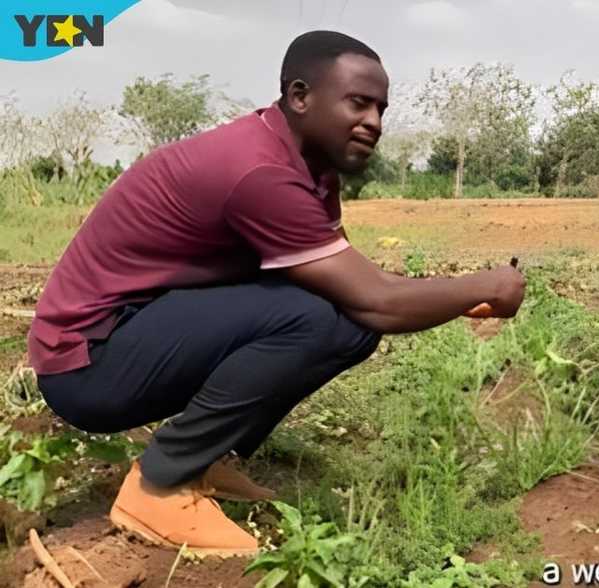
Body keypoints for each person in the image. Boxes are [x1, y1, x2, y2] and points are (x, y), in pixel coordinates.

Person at [28, 31, 525, 557]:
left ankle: (201, 460)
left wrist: (451, 295)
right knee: (333, 319)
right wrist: (487, 284)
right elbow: (376, 301)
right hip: (86, 364)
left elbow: (347, 280)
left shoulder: (310, 166)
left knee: (339, 316)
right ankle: (159, 486)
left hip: (136, 332)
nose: (374, 122)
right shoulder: (258, 170)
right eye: (358, 102)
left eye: (381, 108)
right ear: (299, 96)